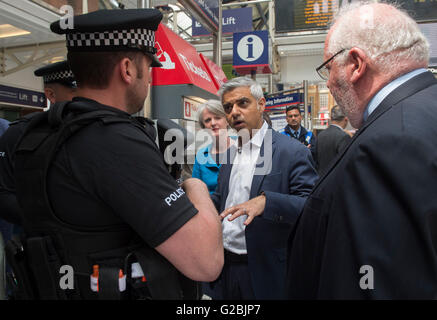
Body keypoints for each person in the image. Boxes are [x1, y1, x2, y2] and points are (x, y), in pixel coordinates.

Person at [9, 9, 223, 300]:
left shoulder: (38, 132)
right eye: (148, 67)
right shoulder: (114, 141)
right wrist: (194, 186)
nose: (149, 79)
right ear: (127, 69)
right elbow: (206, 262)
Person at [286, 2, 437, 299]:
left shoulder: (388, 142)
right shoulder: (422, 113)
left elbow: (375, 283)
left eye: (329, 68)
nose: (328, 83)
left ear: (355, 64)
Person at [211, 76, 318, 300]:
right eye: (228, 107)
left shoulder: (291, 151)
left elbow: (311, 206)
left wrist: (268, 202)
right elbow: (222, 199)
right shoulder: (230, 155)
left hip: (265, 270)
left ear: (261, 105)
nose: (234, 112)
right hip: (225, 268)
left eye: (243, 103)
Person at [0, 60, 77, 227]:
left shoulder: (101, 130)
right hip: (38, 236)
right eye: (75, 91)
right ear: (50, 95)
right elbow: (4, 192)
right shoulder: (20, 132)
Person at [192, 99, 234, 195]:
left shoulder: (241, 149)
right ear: (204, 126)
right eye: (208, 120)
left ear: (227, 121)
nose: (213, 123)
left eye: (217, 118)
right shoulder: (201, 155)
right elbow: (196, 191)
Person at [315, 105, 352, 176]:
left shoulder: (320, 135)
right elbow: (346, 162)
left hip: (320, 180)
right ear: (346, 119)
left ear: (331, 118)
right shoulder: (344, 137)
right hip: (336, 180)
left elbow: (315, 160)